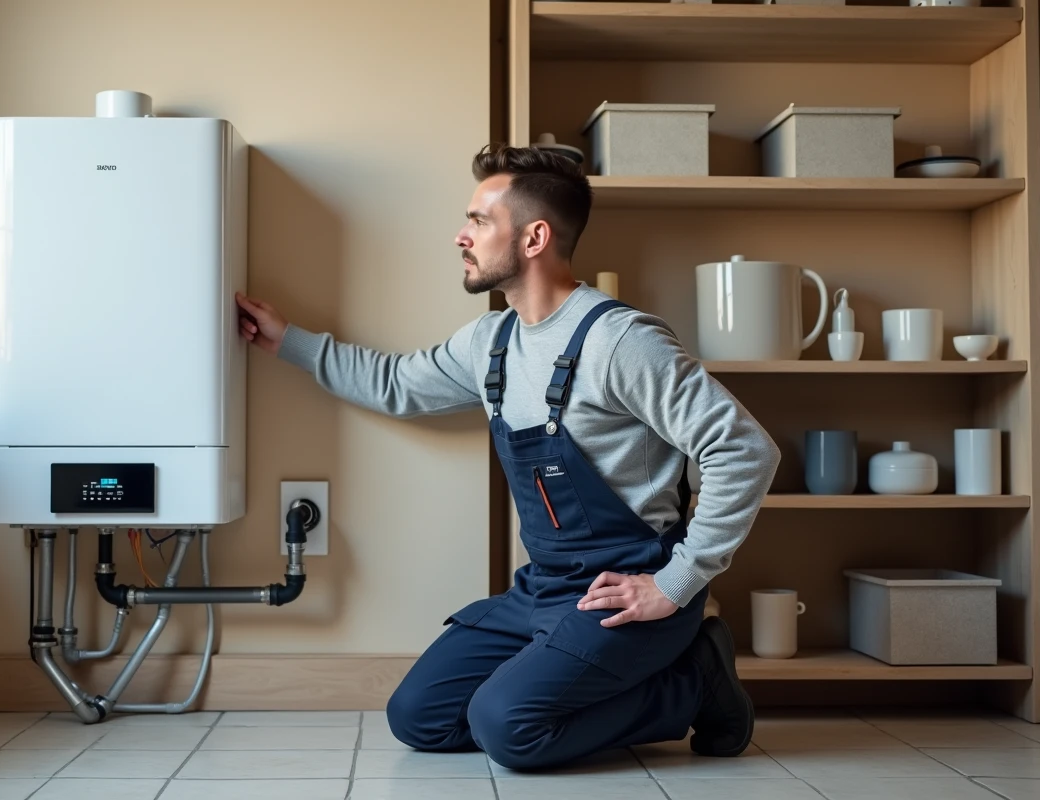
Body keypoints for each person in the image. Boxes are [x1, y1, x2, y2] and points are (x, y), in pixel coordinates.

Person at [235, 143, 781, 771]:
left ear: (534, 238)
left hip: (625, 589)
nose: (460, 236)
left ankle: (698, 682)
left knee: (509, 729)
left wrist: (676, 583)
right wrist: (288, 342)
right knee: (418, 717)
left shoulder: (621, 341)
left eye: (478, 221)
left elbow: (743, 448)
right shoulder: (490, 341)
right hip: (545, 586)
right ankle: (612, 679)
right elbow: (395, 383)